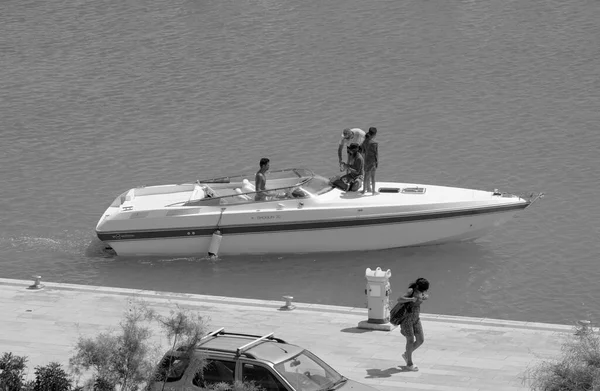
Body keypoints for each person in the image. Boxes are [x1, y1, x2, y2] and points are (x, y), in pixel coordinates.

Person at [396, 277, 430, 372]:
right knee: (410, 340)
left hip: (416, 318)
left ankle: (407, 354)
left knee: (420, 340)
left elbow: (422, 297)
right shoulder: (411, 290)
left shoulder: (421, 291)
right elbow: (399, 299)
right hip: (407, 319)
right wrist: (411, 299)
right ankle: (409, 363)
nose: (425, 291)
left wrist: (424, 297)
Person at [361, 127, 379, 195]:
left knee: (366, 175)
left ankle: (363, 190)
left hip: (366, 160)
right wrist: (377, 162)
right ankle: (373, 192)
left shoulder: (364, 142)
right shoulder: (374, 143)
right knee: (373, 177)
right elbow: (376, 154)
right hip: (372, 161)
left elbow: (362, 150)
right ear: (374, 134)